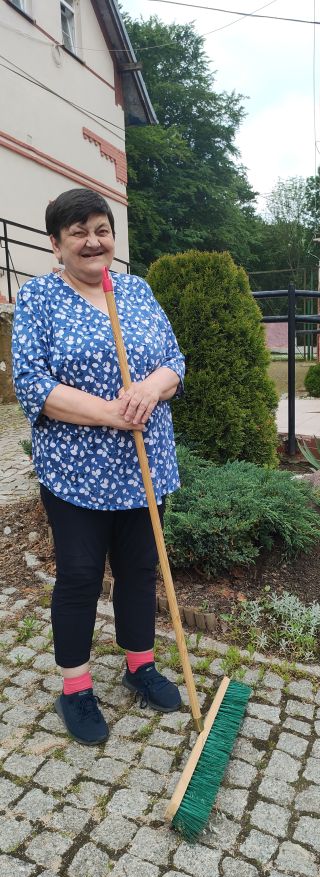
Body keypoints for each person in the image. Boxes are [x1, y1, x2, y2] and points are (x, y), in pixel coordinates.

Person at [12, 188, 185, 746]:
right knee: (81, 575)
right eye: (78, 232)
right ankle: (76, 688)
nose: (93, 241)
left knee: (139, 569)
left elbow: (173, 362)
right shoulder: (38, 297)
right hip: (76, 472)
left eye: (102, 229)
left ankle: (140, 665)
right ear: (56, 243)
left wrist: (151, 389)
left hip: (143, 465)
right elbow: (32, 383)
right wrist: (112, 413)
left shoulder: (136, 290)